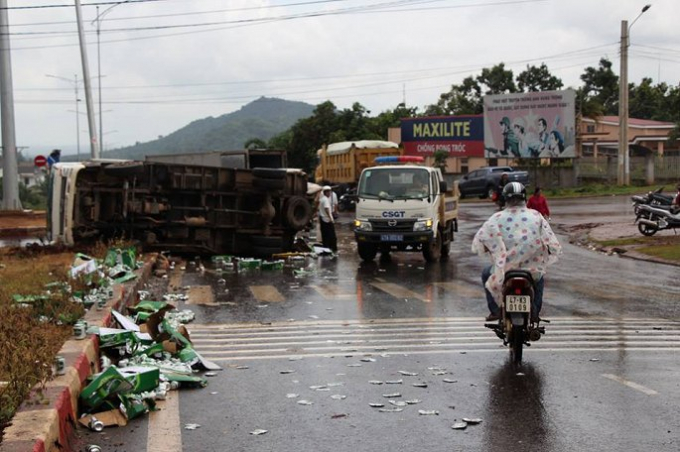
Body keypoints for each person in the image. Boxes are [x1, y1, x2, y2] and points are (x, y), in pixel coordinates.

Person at [472, 182, 562, 322]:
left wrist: (487, 248)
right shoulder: (536, 216)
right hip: (531, 270)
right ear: (524, 198)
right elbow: (550, 240)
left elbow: (482, 239)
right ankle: (535, 312)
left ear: (505, 199)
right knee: (540, 278)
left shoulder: (496, 218)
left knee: (485, 273)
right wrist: (549, 249)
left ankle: (496, 311)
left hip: (504, 270)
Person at [318, 186, 337, 252]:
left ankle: (326, 248)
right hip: (326, 220)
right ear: (325, 192)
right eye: (328, 192)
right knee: (332, 236)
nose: (329, 193)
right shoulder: (325, 200)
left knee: (325, 236)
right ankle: (332, 249)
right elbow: (327, 209)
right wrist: (331, 218)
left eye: (330, 192)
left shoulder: (322, 199)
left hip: (322, 219)